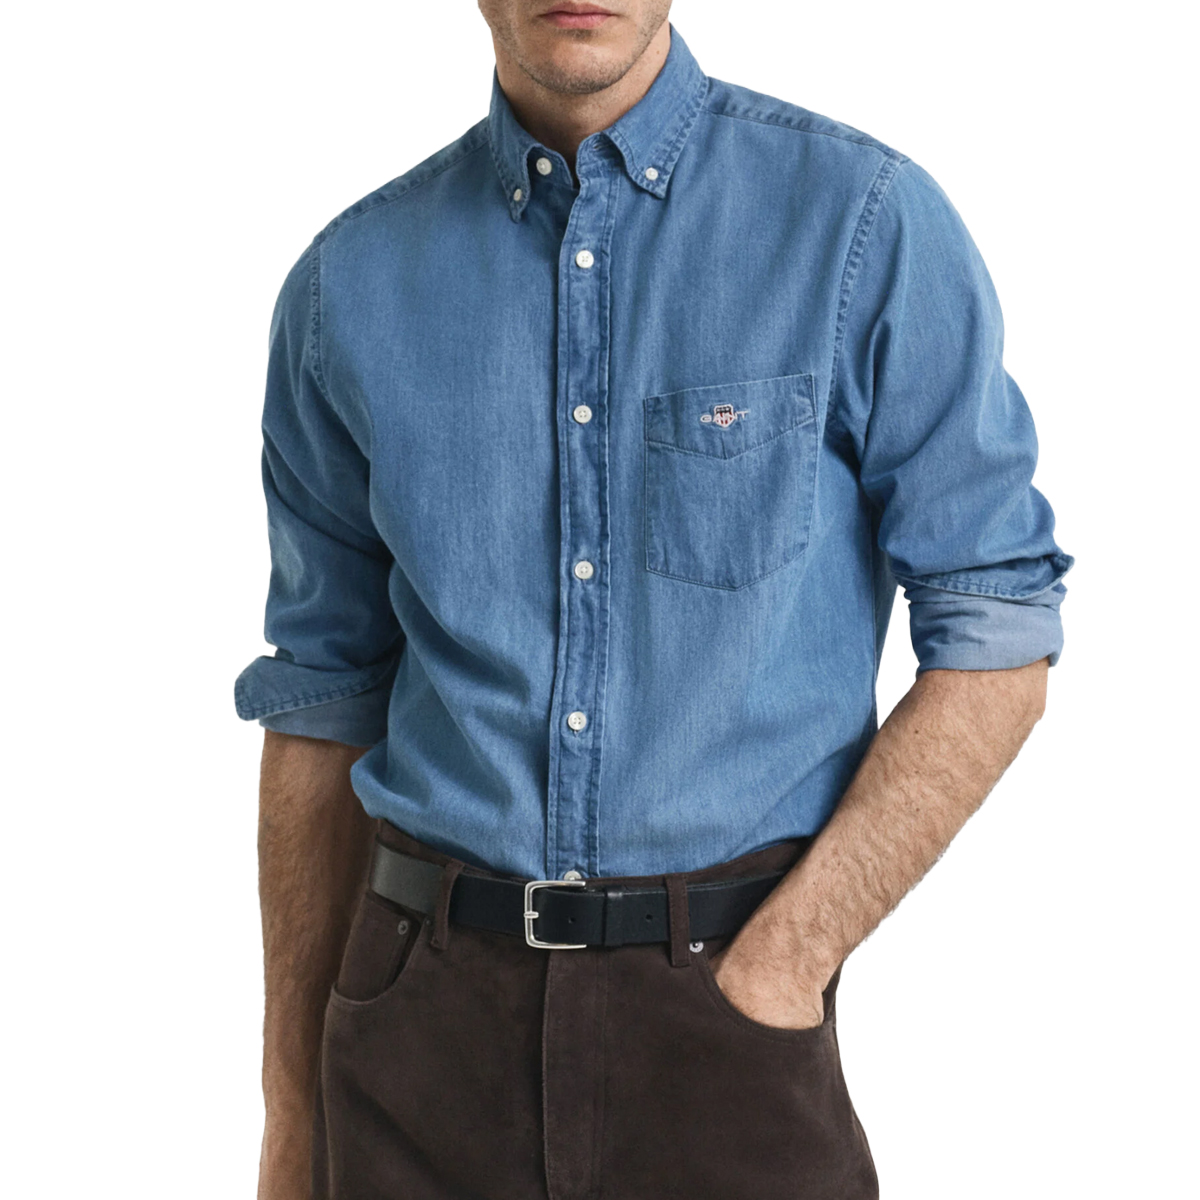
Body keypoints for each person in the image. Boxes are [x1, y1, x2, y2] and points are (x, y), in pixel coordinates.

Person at [235, 4, 1073, 1197]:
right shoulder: (348, 287)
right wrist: (289, 1117)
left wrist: (786, 959)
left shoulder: (860, 225)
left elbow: (997, 632)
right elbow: (322, 704)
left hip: (730, 1025)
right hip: (418, 1033)